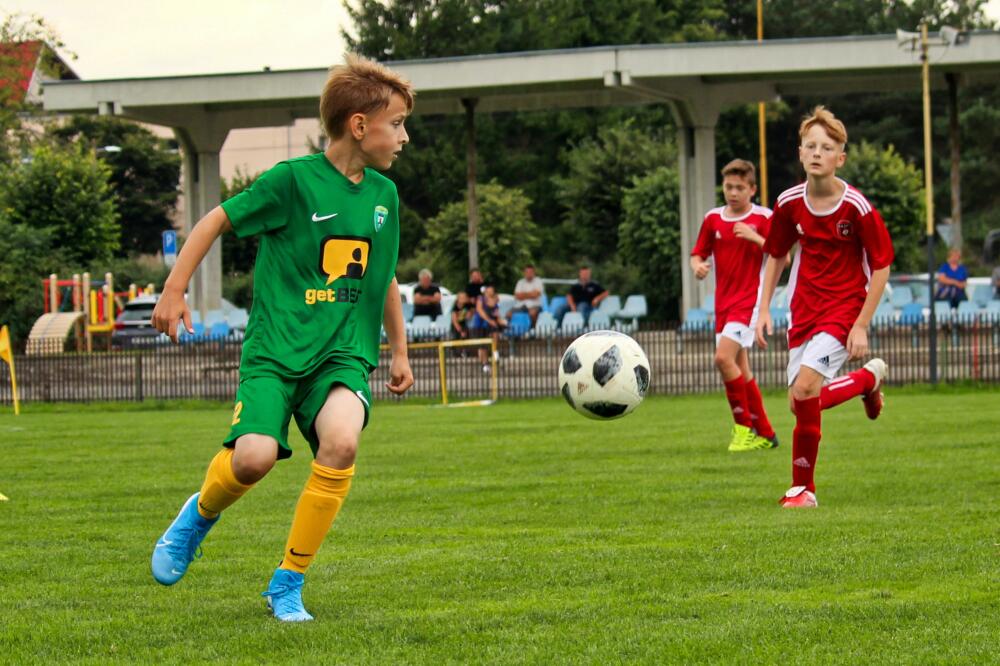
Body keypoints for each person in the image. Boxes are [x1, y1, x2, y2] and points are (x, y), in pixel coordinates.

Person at [148, 55, 415, 621]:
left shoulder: (385, 197)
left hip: (340, 357)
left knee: (342, 442)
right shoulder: (290, 182)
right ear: (360, 126)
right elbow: (214, 220)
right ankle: (199, 515)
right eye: (397, 123)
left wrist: (399, 349)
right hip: (274, 354)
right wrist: (175, 290)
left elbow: (385, 276)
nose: (404, 136)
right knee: (253, 459)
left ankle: (287, 582)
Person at [755, 106, 893, 509]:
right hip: (803, 309)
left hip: (845, 306)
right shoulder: (788, 203)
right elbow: (776, 255)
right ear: (800, 153)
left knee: (805, 388)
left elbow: (882, 265)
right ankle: (866, 382)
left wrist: (861, 324)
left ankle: (802, 490)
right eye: (810, 145)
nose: (817, 152)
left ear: (840, 158)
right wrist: (763, 309)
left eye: (827, 147)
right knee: (799, 402)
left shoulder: (857, 208)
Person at [690, 159, 778, 453]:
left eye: (740, 187)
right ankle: (765, 433)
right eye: (729, 186)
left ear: (752, 189)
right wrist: (698, 266)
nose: (733, 192)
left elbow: (783, 257)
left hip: (749, 303)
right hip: (723, 306)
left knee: (722, 359)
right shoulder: (713, 218)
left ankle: (743, 429)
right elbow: (697, 253)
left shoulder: (764, 217)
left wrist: (755, 237)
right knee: (742, 367)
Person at [471, 284, 506, 372]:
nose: (491, 291)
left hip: (490, 325)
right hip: (480, 325)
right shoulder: (481, 299)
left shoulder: (495, 303)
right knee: (483, 346)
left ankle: (495, 353)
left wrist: (503, 322)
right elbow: (480, 311)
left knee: (495, 335)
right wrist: (490, 320)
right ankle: (485, 364)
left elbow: (497, 315)